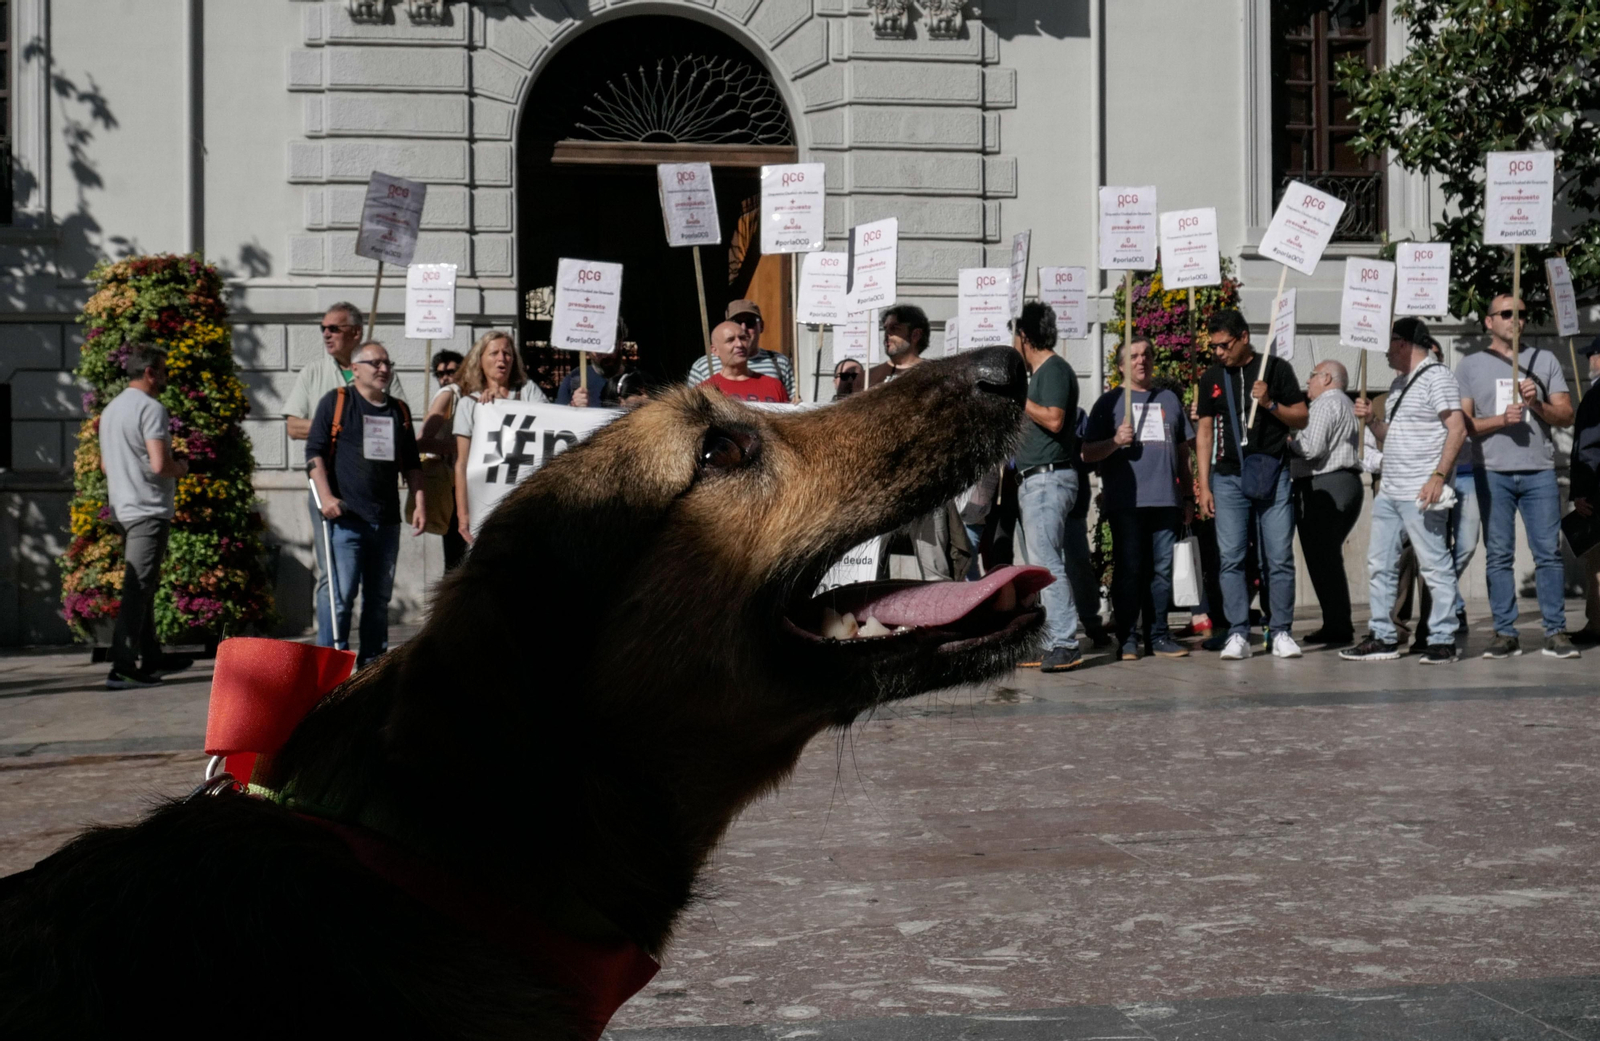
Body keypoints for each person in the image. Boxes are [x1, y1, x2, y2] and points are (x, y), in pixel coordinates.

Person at [1456, 293, 1578, 659]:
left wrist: (1537, 404)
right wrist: (1499, 420)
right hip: (1492, 471)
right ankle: (1505, 633)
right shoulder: (1470, 366)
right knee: (1498, 555)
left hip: (1539, 470)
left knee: (1549, 554)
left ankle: (1556, 631)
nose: (1515, 319)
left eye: (1521, 314)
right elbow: (1462, 426)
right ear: (1489, 321)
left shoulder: (1544, 359)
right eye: (1506, 313)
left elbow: (1566, 415)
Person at [1343, 319, 1468, 664]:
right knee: (1380, 565)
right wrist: (1372, 422)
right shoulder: (1399, 383)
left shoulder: (1438, 377)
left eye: (1388, 343)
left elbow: (1457, 430)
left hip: (1420, 491)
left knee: (1434, 564)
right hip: (1391, 490)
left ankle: (1443, 639)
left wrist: (1438, 476)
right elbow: (1393, 437)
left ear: (1403, 343)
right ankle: (1383, 636)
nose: (1384, 351)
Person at [286, 303, 408, 646]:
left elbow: (397, 420)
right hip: (330, 492)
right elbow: (294, 426)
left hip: (376, 500)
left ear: (355, 332)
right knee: (334, 582)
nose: (326, 334)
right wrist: (342, 424)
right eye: (323, 328)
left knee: (375, 593)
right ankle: (330, 654)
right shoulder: (313, 372)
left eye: (334, 328)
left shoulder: (381, 369)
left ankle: (371, 663)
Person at [1194, 308, 1309, 660]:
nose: (1218, 353)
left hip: (1272, 472)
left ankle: (1282, 631)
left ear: (1244, 337)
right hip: (1228, 476)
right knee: (1231, 558)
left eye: (1224, 345)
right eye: (1213, 347)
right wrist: (1204, 484)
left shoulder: (1276, 368)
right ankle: (1238, 632)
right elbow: (1203, 433)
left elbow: (1301, 417)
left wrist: (1271, 403)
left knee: (1278, 557)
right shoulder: (1211, 376)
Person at [305, 341, 426, 668]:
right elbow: (313, 453)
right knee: (341, 598)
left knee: (378, 600)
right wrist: (327, 498)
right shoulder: (337, 402)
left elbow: (412, 463)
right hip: (346, 520)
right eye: (376, 363)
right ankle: (331, 665)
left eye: (388, 363)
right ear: (355, 369)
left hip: (385, 522)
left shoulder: (398, 410)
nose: (384, 369)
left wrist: (419, 502)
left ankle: (372, 667)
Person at [1082, 336, 1195, 660]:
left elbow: (1183, 451)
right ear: (1120, 366)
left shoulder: (1170, 400)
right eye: (1132, 356)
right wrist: (1116, 442)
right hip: (1127, 503)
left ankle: (1159, 635)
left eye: (1146, 354)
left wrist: (1187, 497)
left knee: (1162, 571)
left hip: (1165, 501)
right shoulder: (1108, 403)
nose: (1141, 360)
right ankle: (1128, 639)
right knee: (1129, 570)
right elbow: (1088, 453)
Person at [98, 344, 192, 689]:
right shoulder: (151, 408)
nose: (166, 378)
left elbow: (106, 464)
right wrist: (180, 467)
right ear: (150, 372)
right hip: (148, 509)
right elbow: (159, 464)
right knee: (137, 589)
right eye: (164, 371)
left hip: (122, 508)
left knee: (144, 587)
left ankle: (152, 657)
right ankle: (121, 666)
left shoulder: (111, 410)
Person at [1012, 300, 1083, 672]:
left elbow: (1054, 420)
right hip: (1035, 480)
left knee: (1047, 563)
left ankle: (1065, 642)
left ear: (1025, 336)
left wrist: (1018, 399)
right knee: (1040, 564)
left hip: (1048, 478)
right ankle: (1049, 640)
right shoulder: (1038, 374)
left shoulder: (1054, 370)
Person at [1288, 359, 1363, 646]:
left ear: (1327, 378)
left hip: (1326, 482)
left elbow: (1311, 448)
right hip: (1344, 482)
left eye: (1312, 375)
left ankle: (1338, 624)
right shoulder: (1344, 403)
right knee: (1327, 558)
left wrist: (1286, 444)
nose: (1308, 381)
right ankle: (1336, 622)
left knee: (1323, 558)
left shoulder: (1325, 404)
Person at [452, 330, 550, 543]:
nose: (501, 359)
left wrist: (504, 407)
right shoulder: (468, 404)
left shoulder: (527, 391)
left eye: (507, 353)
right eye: (494, 353)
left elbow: (549, 421)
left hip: (525, 497)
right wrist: (463, 513)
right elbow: (462, 463)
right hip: (485, 501)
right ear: (480, 360)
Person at [418, 350, 469, 570]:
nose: (444, 378)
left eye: (451, 371)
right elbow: (422, 442)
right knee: (457, 558)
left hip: (470, 482)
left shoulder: (473, 394)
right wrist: (464, 447)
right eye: (439, 374)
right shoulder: (449, 393)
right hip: (452, 483)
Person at [686, 301, 795, 399]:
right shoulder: (703, 365)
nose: (743, 328)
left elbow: (791, 406)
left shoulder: (779, 363)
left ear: (761, 326)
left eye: (750, 322)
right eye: (736, 322)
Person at [704, 320, 789, 403]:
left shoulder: (774, 386)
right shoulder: (704, 392)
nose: (739, 344)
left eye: (742, 338)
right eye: (730, 340)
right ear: (715, 350)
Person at [558, 318, 630, 408]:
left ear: (620, 343)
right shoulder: (573, 380)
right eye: (598, 348)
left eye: (609, 347)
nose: (605, 355)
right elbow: (558, 418)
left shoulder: (641, 381)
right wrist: (573, 407)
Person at [868, 305, 930, 384]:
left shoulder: (934, 375)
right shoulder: (868, 377)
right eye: (885, 328)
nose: (887, 334)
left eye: (894, 328)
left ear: (916, 335)